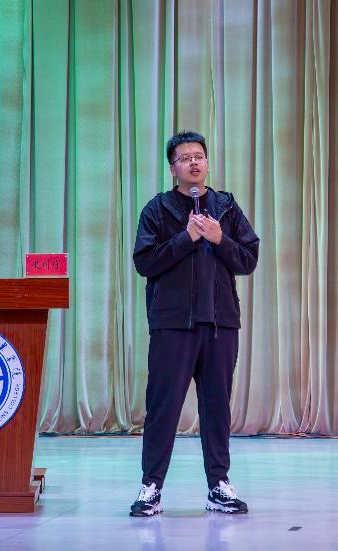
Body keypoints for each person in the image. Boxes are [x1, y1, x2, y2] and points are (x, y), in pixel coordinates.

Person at [130, 130, 260, 517]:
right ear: (173, 168)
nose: (193, 162)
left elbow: (248, 259)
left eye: (199, 156)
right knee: (163, 407)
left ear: (207, 162)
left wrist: (220, 239)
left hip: (220, 324)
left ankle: (219, 486)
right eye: (185, 158)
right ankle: (151, 487)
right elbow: (145, 263)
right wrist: (185, 237)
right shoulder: (158, 209)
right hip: (173, 326)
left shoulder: (226, 207)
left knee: (217, 408)